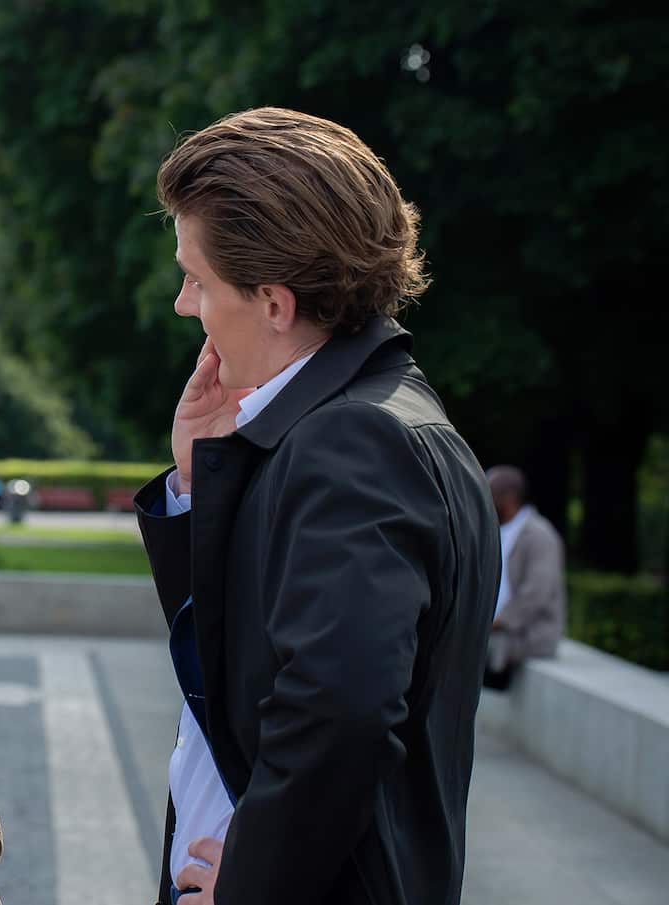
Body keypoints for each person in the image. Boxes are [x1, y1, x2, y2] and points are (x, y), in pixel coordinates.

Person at [133, 108, 501, 905]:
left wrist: (257, 883)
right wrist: (200, 487)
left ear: (273, 300)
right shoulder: (385, 416)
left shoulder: (352, 442)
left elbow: (340, 712)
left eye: (197, 278)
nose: (184, 304)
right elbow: (235, 671)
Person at [483, 465, 567, 689]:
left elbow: (537, 592)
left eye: (488, 494)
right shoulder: (494, 531)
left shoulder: (539, 535)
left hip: (528, 633)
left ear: (509, 498)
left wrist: (494, 622)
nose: (483, 502)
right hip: (495, 629)